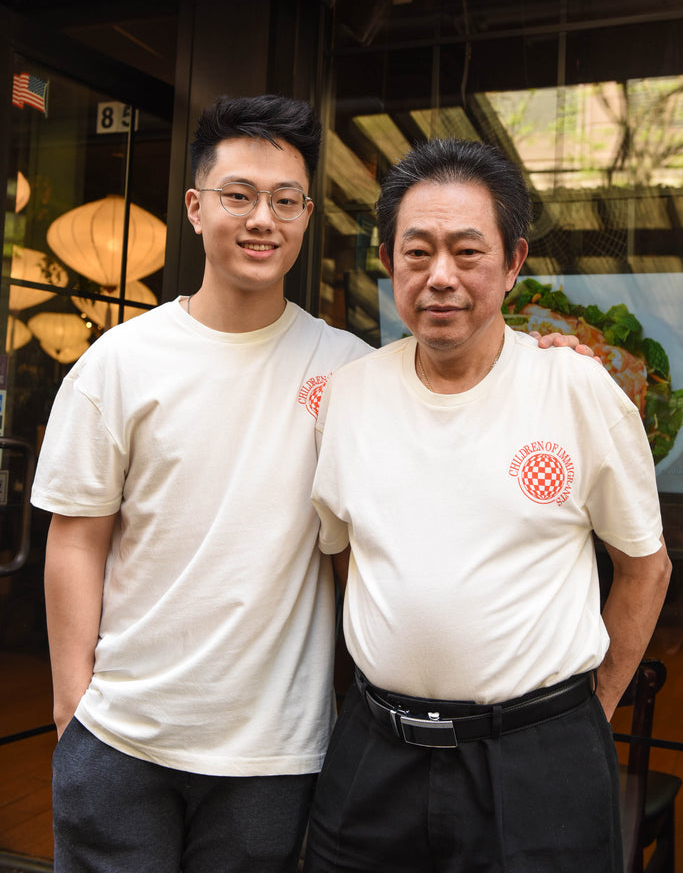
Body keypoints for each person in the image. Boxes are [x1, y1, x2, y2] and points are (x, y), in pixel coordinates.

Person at [32, 97, 592, 873]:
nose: (262, 218)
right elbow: (77, 533)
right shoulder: (119, 363)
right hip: (124, 735)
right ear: (196, 209)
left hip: (275, 750)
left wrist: (543, 353)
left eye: (285, 200)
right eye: (238, 195)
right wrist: (72, 707)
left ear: (304, 217)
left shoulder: (351, 370)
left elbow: (460, 370)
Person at [305, 137, 672, 873]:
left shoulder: (575, 390)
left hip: (537, 762)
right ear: (388, 261)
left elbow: (644, 568)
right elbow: (346, 554)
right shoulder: (348, 395)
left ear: (510, 263)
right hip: (374, 752)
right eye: (418, 252)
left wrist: (584, 717)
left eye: (466, 251)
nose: (440, 276)